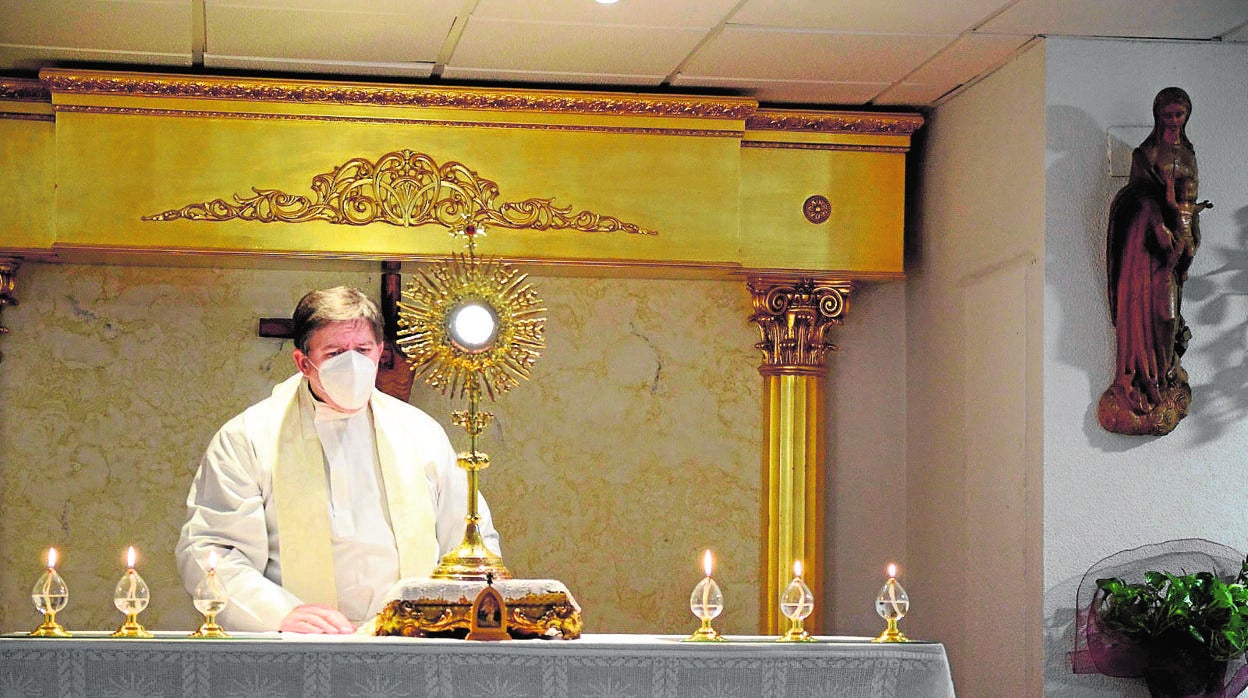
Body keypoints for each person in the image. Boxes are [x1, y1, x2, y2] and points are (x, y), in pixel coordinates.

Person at [175, 286, 500, 633]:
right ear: (303, 362)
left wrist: (446, 617)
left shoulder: (421, 434)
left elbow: (470, 541)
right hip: (300, 644)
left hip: (410, 639)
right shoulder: (249, 438)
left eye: (362, 350)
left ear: (379, 352)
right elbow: (213, 549)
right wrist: (276, 613)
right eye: (335, 353)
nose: (353, 364)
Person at [1100, 87, 1211, 435]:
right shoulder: (1145, 155)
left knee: (1171, 316)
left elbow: (1189, 205)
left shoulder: (1189, 155)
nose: (1174, 121)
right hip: (1146, 255)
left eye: (1180, 115)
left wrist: (1188, 230)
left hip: (1176, 249)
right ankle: (1143, 379)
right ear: (1158, 116)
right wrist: (1161, 212)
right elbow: (1136, 197)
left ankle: (1162, 378)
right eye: (1168, 115)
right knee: (1158, 315)